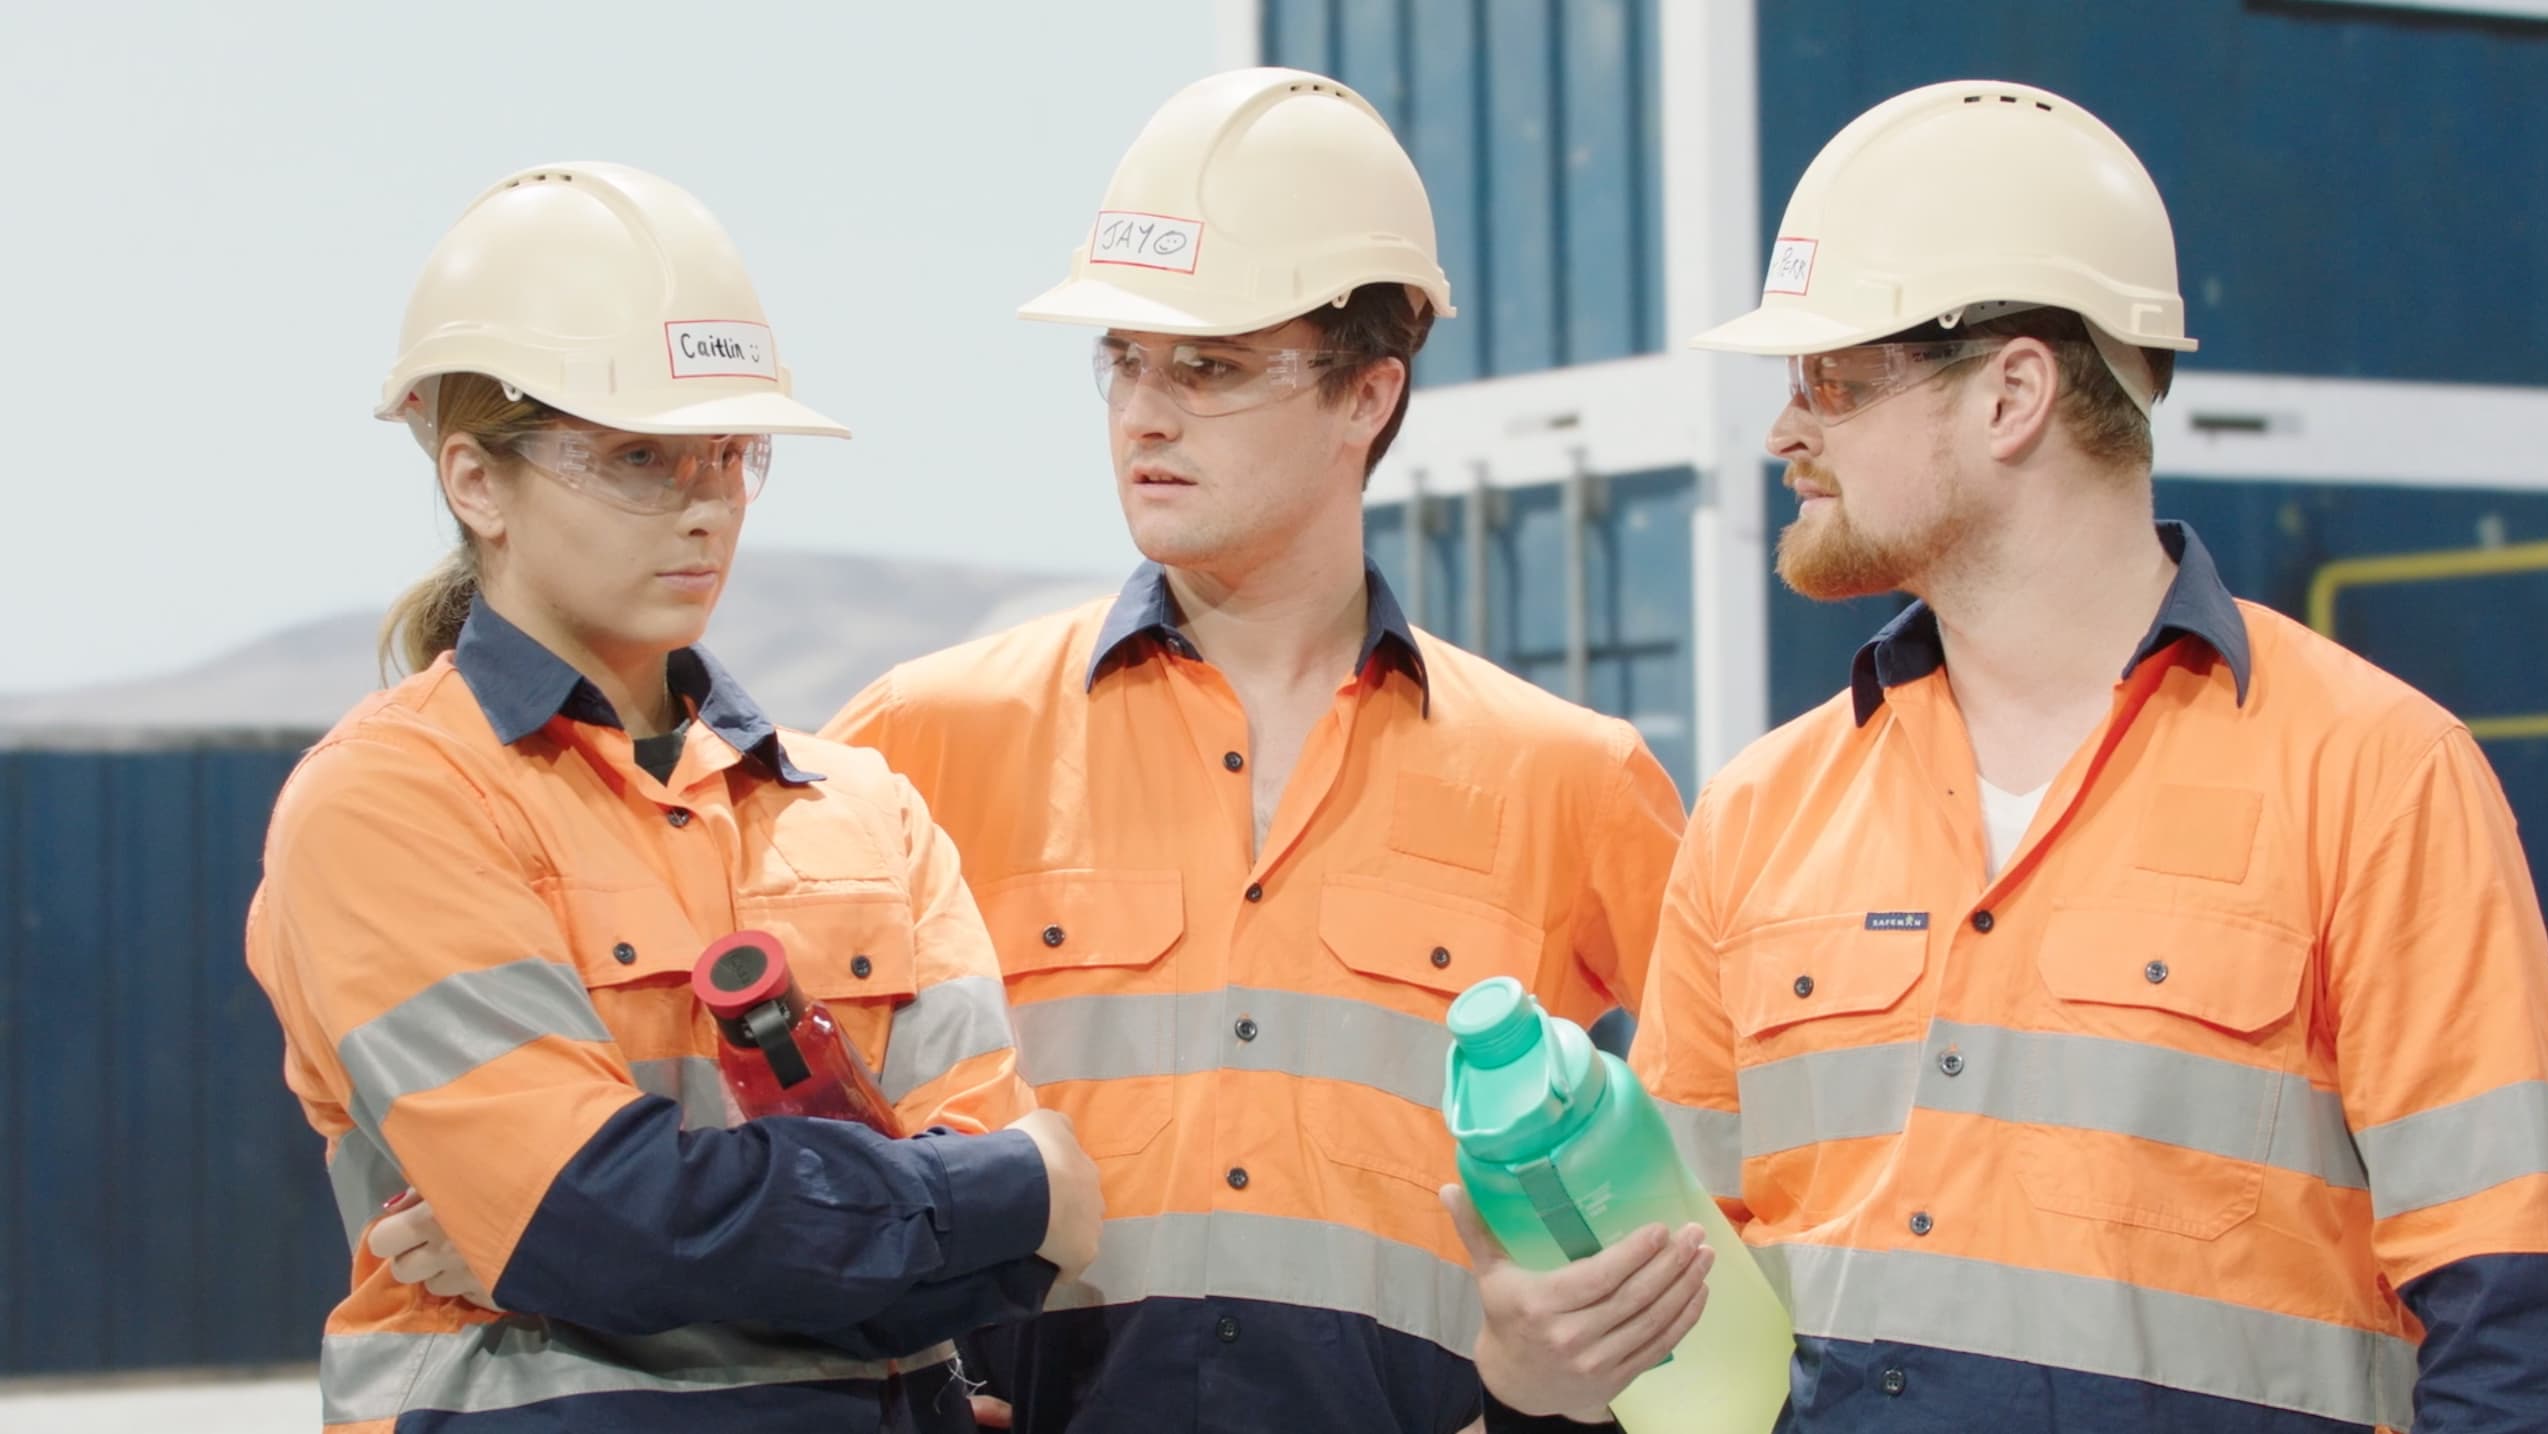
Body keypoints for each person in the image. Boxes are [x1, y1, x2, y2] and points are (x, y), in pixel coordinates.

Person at [1457, 78, 2548, 1433]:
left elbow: (2512, 1318)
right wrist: (1542, 1373)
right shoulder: (1756, 816)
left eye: (1832, 381)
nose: (1782, 433)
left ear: (2011, 396)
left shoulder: (2379, 778)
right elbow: (1684, 1326)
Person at [818, 68, 1692, 1433]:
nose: (1144, 415)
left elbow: (1737, 1201)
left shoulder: (1572, 779)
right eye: (1124, 360)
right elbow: (735, 1100)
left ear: (1367, 395)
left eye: (1210, 368)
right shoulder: (922, 740)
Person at [245, 160, 1103, 1434]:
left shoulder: (866, 810)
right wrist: (1007, 1196)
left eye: (730, 455)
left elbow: (982, 1277)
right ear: (476, 480)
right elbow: (593, 1225)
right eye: (640, 458)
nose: (705, 509)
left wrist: (579, 1258)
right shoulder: (389, 806)